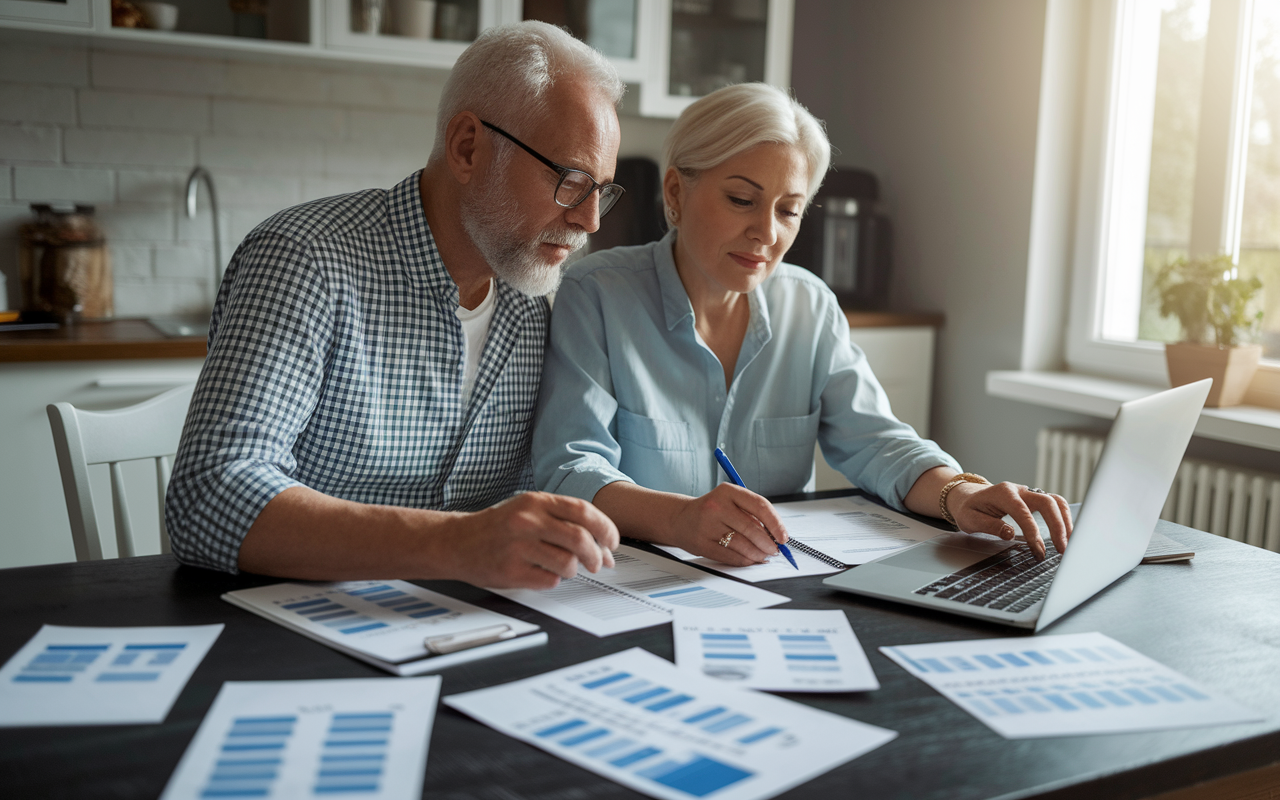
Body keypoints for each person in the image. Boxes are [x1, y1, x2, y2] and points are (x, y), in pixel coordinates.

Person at [532, 83, 1072, 568]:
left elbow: (878, 443)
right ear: (675, 193)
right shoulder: (597, 294)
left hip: (777, 584)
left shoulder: (810, 306)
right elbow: (570, 469)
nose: (765, 233)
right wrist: (680, 519)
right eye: (741, 199)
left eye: (788, 210)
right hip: (633, 586)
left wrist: (959, 494)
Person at [166, 21, 624, 589]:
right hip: (295, 631)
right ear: (467, 148)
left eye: (602, 189)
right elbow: (209, 495)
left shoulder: (538, 297)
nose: (590, 219)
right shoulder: (304, 260)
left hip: (471, 627)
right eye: (572, 180)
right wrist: (456, 543)